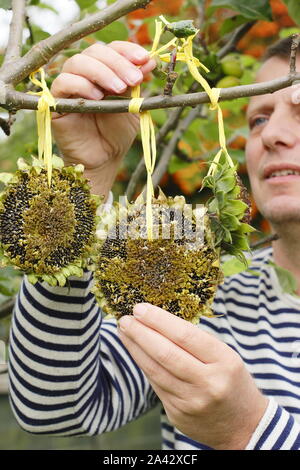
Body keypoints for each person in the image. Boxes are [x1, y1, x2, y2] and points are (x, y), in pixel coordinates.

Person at [7, 37, 300, 450]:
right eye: (259, 119)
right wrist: (84, 183)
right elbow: (55, 407)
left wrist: (247, 432)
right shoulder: (204, 294)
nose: (272, 135)